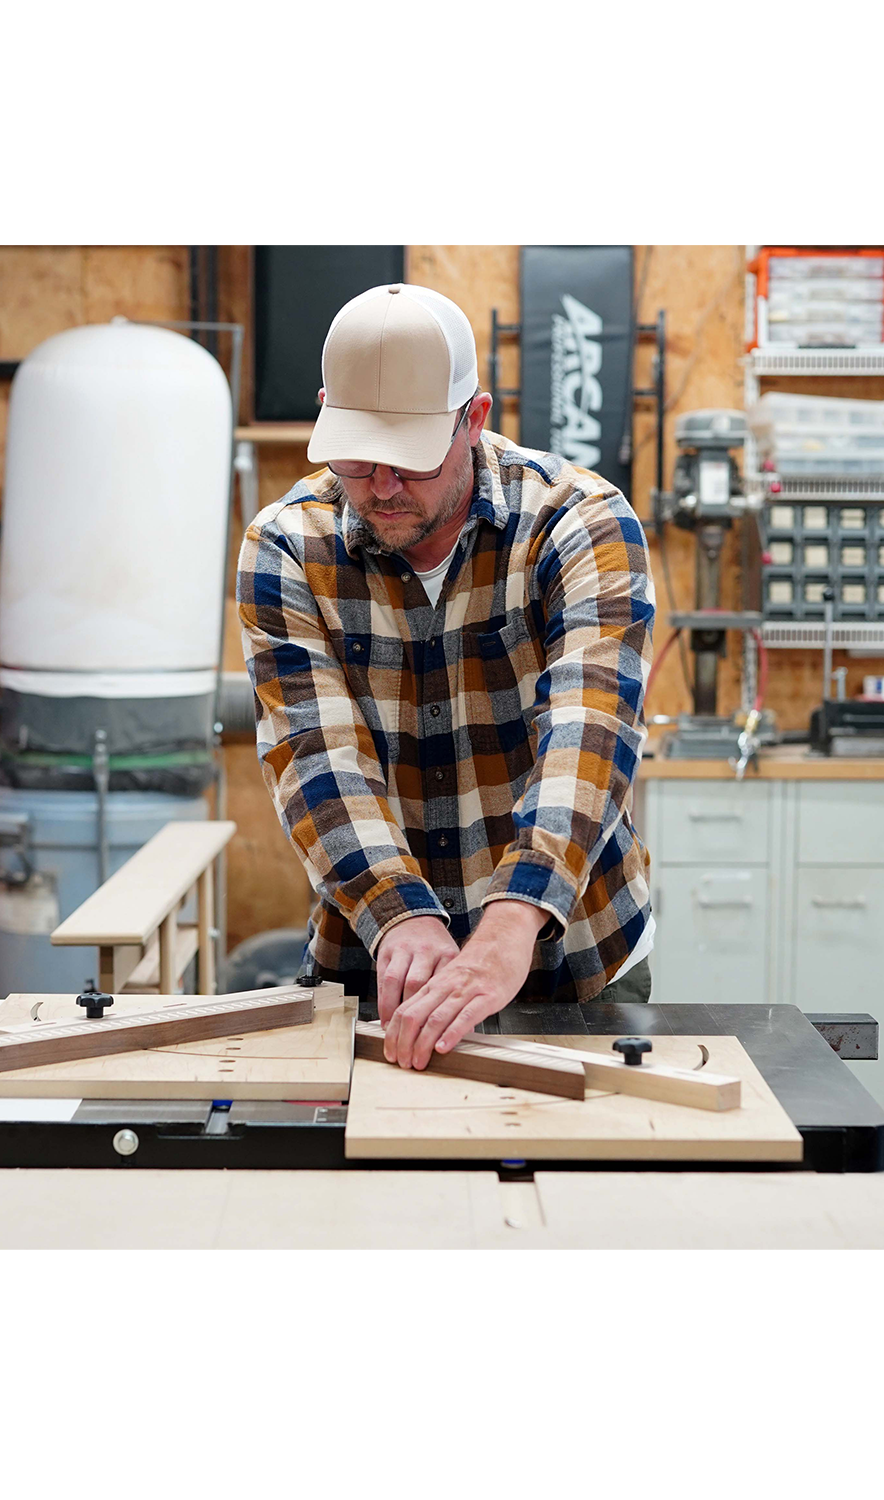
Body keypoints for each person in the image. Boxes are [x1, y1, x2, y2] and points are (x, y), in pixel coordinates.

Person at [235, 282, 655, 1071]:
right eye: (359, 459)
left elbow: (590, 732)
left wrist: (514, 918)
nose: (383, 488)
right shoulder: (287, 546)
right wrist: (397, 915)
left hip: (578, 963)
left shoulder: (580, 522)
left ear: (475, 418)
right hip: (380, 965)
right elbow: (315, 757)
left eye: (411, 459)